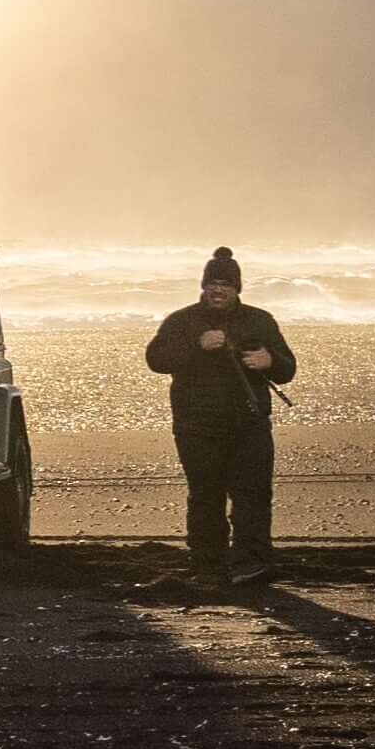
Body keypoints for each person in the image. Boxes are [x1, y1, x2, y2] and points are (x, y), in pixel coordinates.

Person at [144, 247, 296, 589]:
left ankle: (252, 563)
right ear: (202, 286)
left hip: (250, 423)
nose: (218, 290)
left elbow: (288, 368)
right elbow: (156, 359)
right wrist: (197, 345)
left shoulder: (260, 320)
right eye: (212, 283)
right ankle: (207, 565)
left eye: (226, 284)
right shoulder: (183, 321)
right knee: (205, 495)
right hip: (197, 425)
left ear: (237, 288)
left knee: (253, 495)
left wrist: (268, 360)